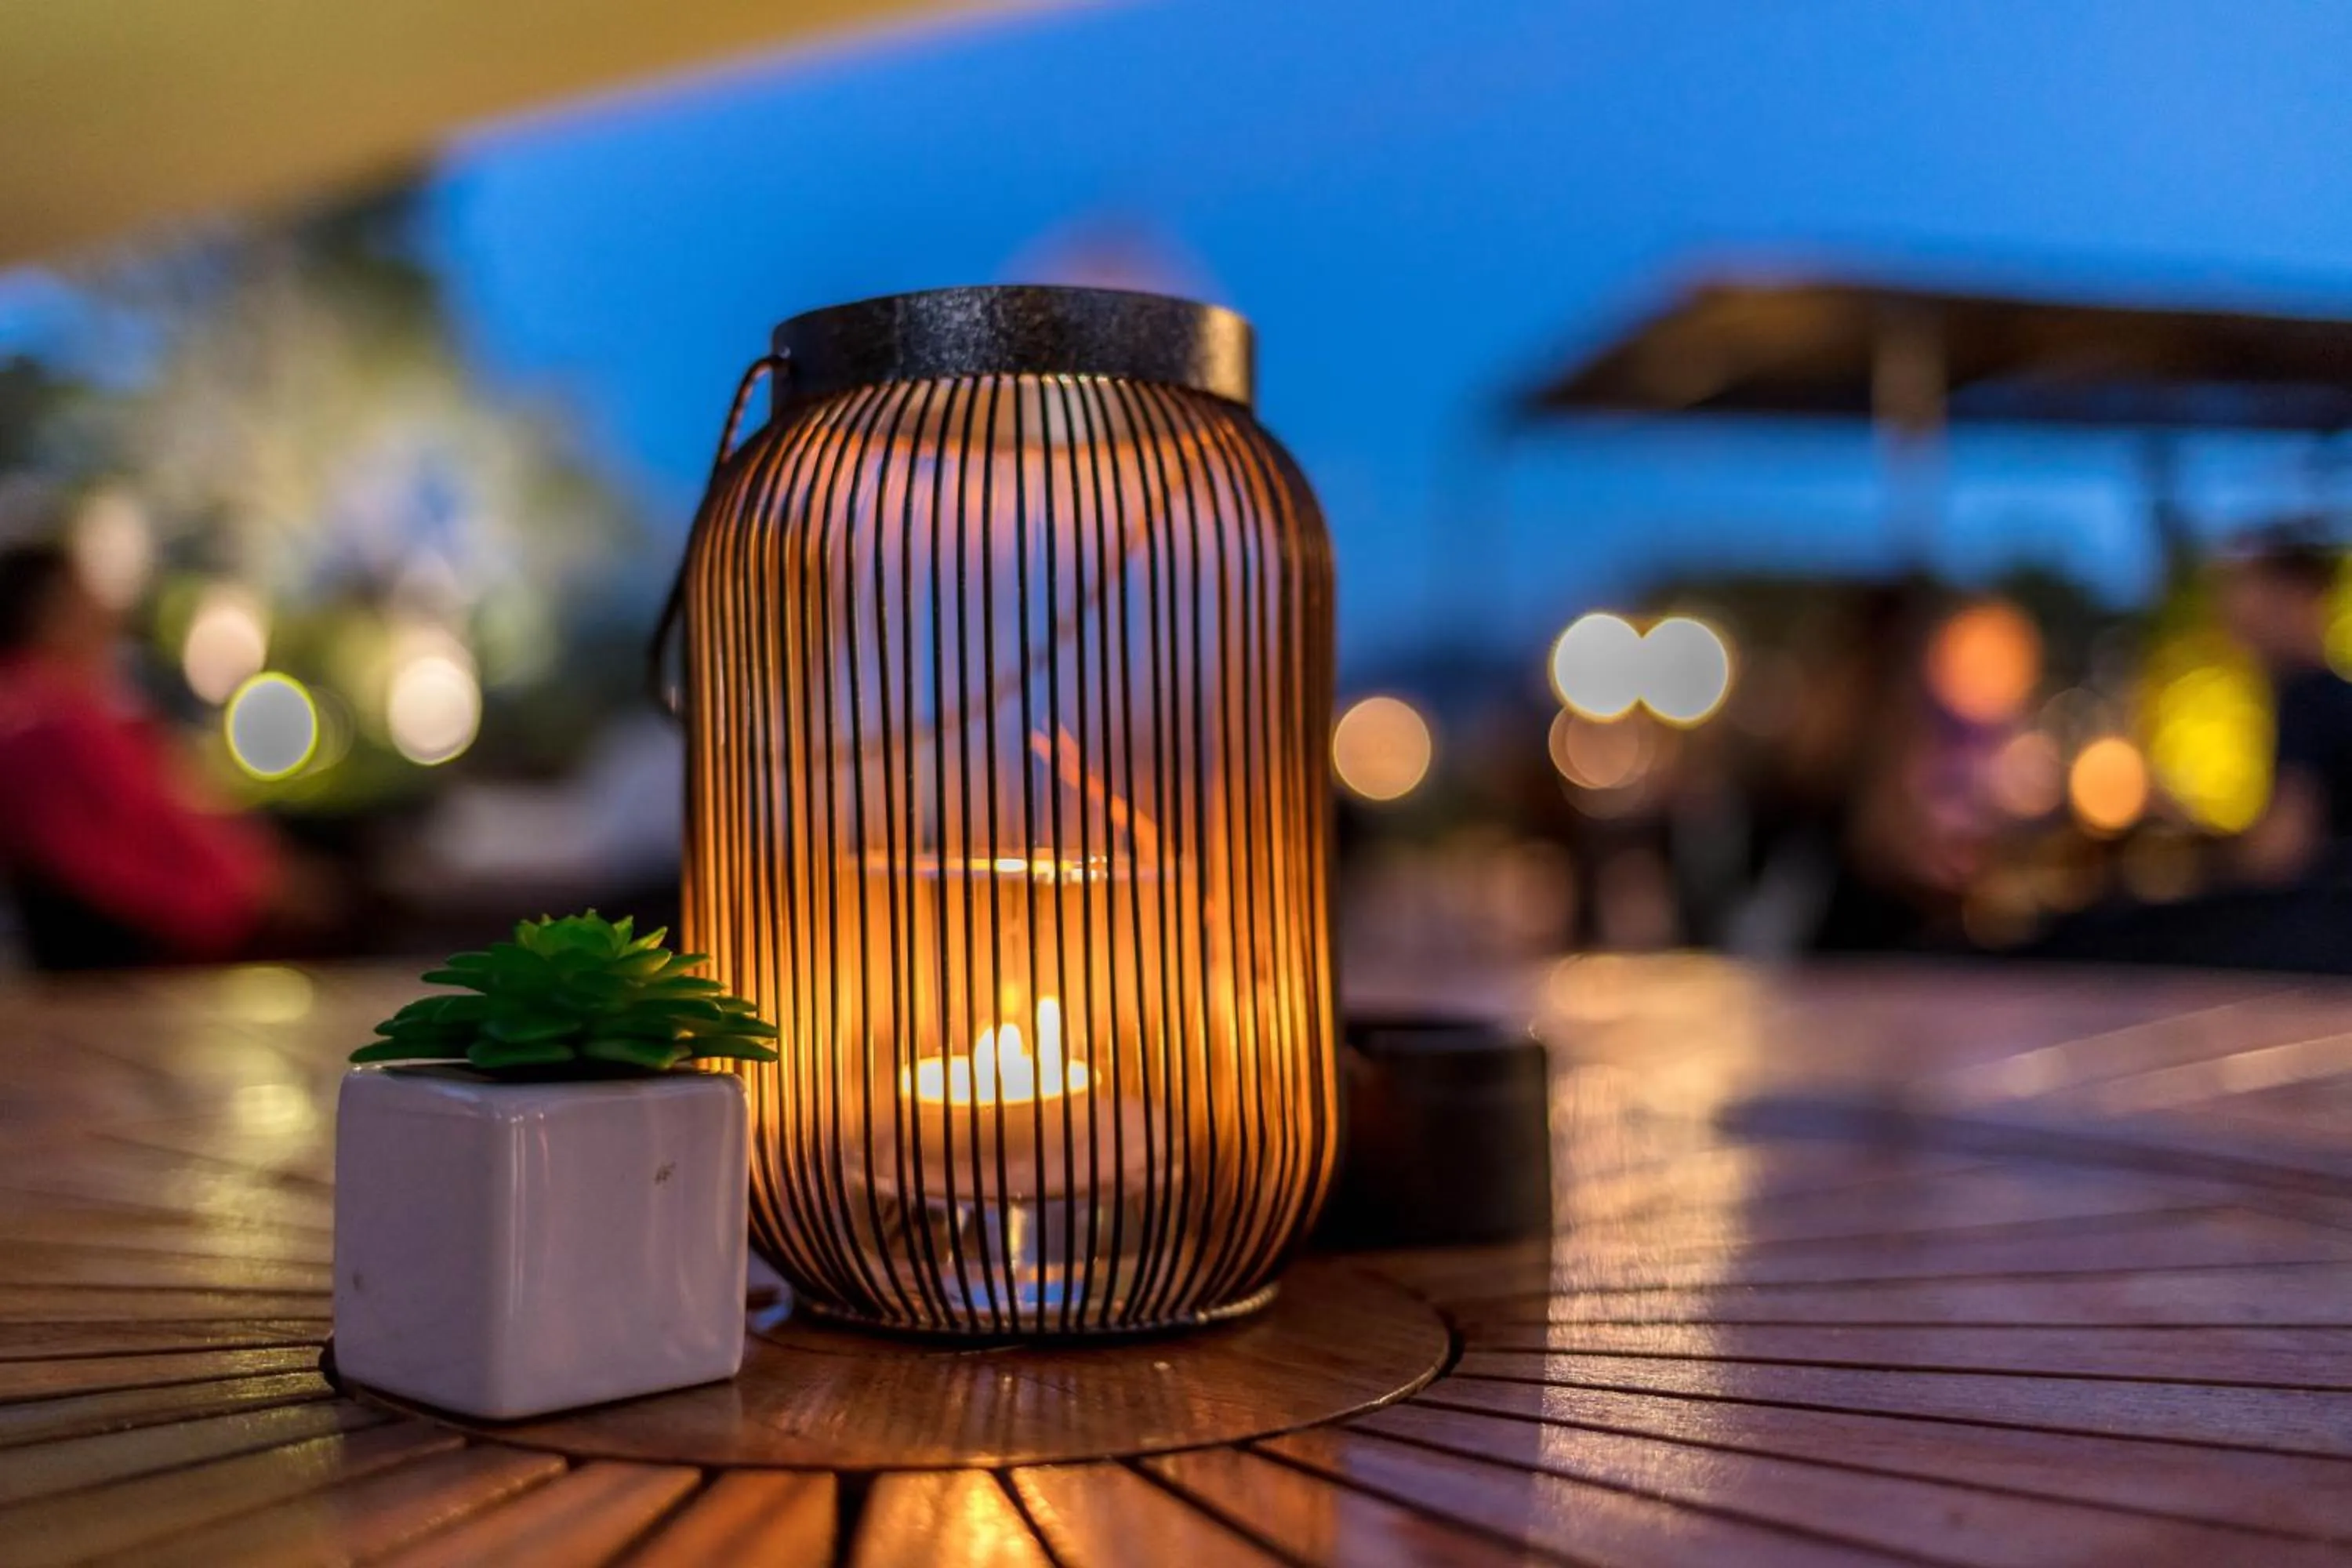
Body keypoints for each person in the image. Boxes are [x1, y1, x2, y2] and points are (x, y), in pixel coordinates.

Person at [0, 539, 309, 967]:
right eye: (87, 592)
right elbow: (132, 854)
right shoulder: (54, 720)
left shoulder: (48, 707)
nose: (109, 612)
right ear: (53, 611)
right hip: (151, 943)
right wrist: (254, 886)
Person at [2216, 525, 2352, 884]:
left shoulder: (2309, 701)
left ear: (2298, 597)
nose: (2239, 613)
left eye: (2252, 590)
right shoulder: (2329, 697)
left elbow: (2283, 848)